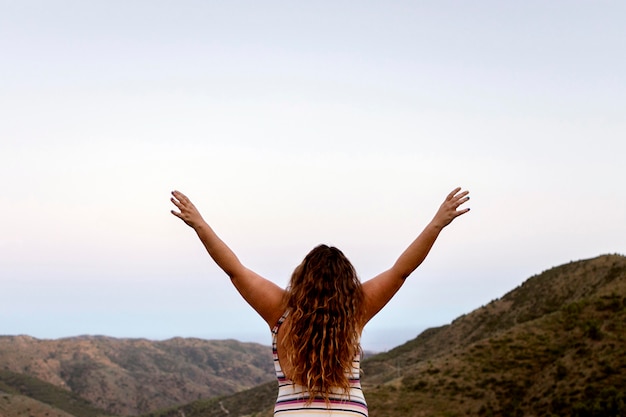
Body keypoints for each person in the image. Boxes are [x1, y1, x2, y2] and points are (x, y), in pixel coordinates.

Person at [170, 187, 470, 416]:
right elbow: (401, 271)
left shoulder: (280, 312)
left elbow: (234, 270)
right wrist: (436, 224)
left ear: (302, 277)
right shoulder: (355, 310)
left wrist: (200, 225)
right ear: (346, 282)